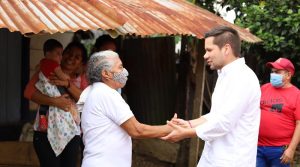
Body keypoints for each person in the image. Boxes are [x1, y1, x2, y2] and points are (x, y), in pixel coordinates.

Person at [161, 26, 261, 167]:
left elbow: (224, 122)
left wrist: (186, 133)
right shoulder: (225, 75)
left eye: (209, 50)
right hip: (213, 156)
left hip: (232, 160)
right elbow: (217, 115)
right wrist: (189, 123)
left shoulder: (243, 78)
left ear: (226, 49)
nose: (204, 55)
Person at [80, 50, 172, 167]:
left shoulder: (93, 91)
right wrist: (170, 129)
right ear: (106, 73)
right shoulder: (107, 94)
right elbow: (137, 130)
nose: (125, 71)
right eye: (120, 67)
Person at [24, 41, 88, 167]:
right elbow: (28, 92)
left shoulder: (83, 79)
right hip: (44, 131)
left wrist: (67, 84)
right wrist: (55, 102)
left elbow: (86, 100)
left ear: (81, 63)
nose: (71, 58)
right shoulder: (45, 72)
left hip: (71, 134)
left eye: (77, 57)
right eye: (68, 53)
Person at [257, 58, 300, 167]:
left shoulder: (297, 94)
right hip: (257, 147)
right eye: (272, 71)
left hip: (280, 150)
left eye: (277, 72)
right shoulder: (264, 88)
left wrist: (291, 149)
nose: (273, 74)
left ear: (288, 75)